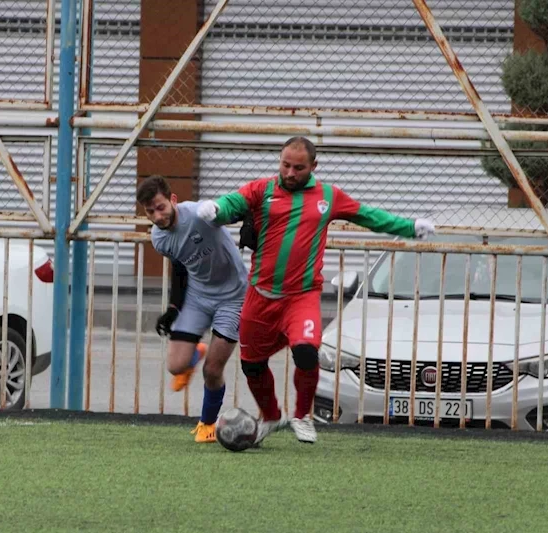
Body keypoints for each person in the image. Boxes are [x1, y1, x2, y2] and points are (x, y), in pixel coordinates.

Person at [197, 136, 435, 444]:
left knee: (307, 352)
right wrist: (215, 208)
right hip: (260, 295)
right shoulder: (262, 189)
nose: (290, 173)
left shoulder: (328, 196)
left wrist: (408, 227)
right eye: (285, 165)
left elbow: (368, 216)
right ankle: (271, 416)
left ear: (313, 166)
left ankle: (302, 415)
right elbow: (233, 203)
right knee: (251, 364)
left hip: (302, 296)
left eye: (298, 168)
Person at [137, 176, 249, 443]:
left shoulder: (200, 215)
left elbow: (239, 208)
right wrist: (174, 307)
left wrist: (249, 226)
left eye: (161, 207)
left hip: (233, 297)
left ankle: (207, 424)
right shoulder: (159, 238)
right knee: (175, 367)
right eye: (150, 212)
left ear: (173, 200)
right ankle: (195, 352)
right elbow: (179, 268)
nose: (157, 216)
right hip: (198, 298)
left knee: (213, 370)